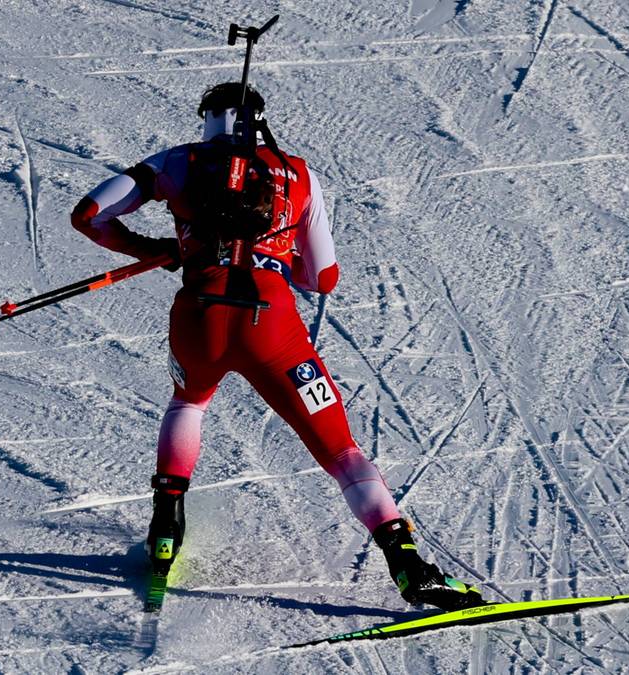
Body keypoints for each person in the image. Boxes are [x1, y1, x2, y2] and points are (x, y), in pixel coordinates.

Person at [70, 82, 485, 611]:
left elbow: (88, 214)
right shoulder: (299, 172)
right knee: (340, 450)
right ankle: (408, 565)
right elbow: (324, 278)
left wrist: (158, 249)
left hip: (198, 318)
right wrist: (274, 256)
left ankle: (166, 526)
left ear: (206, 118)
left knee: (189, 400)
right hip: (273, 328)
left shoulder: (177, 161)